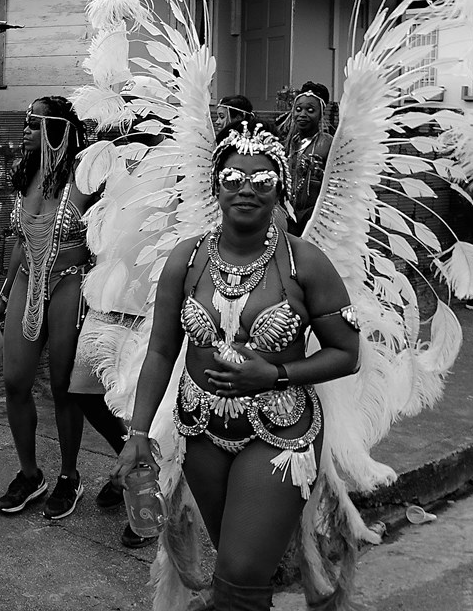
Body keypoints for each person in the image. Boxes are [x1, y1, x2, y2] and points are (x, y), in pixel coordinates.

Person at [111, 121, 360, 610]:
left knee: (243, 570)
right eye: (233, 178)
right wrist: (138, 431)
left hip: (281, 429)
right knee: (235, 564)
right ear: (216, 186)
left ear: (280, 191)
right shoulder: (188, 259)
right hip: (201, 425)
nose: (246, 188)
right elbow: (162, 350)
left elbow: (347, 355)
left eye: (262, 180)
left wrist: (275, 374)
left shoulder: (305, 264)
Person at [74, 75, 180, 547]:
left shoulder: (176, 163)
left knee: (142, 410)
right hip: (104, 302)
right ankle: (130, 462)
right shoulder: (111, 159)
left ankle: (145, 504)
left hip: (149, 309)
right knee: (82, 393)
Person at [0, 96, 96, 520]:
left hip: (70, 282)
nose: (26, 130)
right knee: (15, 381)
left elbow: (104, 237)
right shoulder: (27, 174)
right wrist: (2, 297)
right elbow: (20, 241)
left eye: (35, 124)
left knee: (64, 387)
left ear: (56, 130)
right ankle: (30, 474)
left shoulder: (85, 179)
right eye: (26, 122)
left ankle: (70, 476)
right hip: (25, 281)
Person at [283, 82, 333, 234]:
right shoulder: (289, 143)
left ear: (321, 114)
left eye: (310, 110)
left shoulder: (327, 143)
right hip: (288, 214)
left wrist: (319, 174)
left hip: (315, 217)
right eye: (298, 109)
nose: (302, 114)